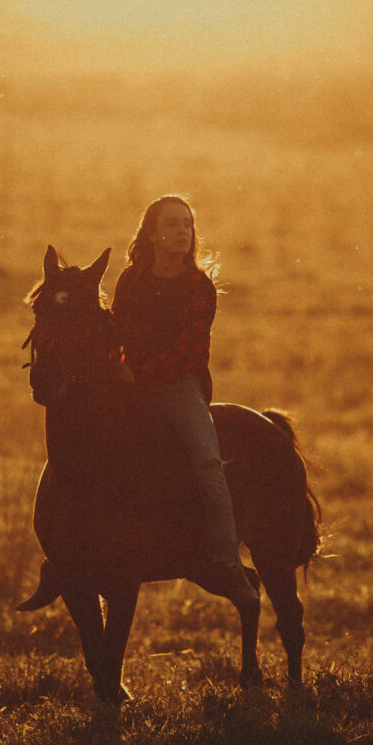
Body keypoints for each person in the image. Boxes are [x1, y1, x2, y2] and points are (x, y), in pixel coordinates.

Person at [112, 196, 259, 608]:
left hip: (179, 387)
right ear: (152, 233)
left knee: (208, 462)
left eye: (187, 225)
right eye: (172, 224)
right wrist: (115, 367)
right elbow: (116, 329)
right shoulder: (131, 279)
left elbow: (188, 353)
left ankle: (226, 557)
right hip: (128, 382)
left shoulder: (198, 287)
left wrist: (138, 375)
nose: (182, 231)